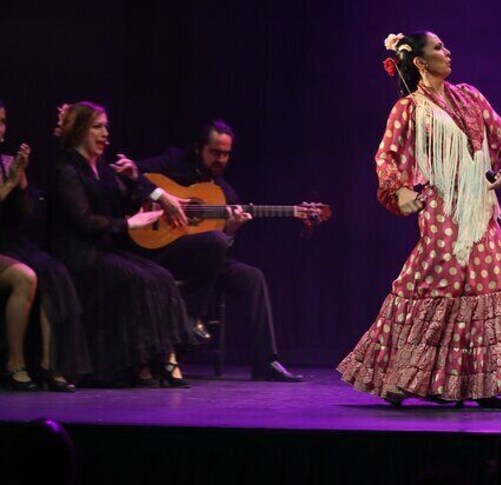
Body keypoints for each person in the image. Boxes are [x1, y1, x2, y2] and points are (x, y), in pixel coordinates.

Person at [338, 31, 501, 406]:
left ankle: (485, 382)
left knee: (496, 280)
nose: (448, 52)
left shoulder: (470, 97)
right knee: (443, 282)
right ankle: (415, 376)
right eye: (438, 48)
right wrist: (400, 191)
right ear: (420, 62)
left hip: (479, 209)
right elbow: (387, 157)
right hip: (442, 208)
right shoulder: (409, 108)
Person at [134, 119, 303, 382]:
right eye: (215, 152)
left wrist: (231, 230)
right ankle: (191, 318)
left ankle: (265, 361)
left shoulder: (225, 193)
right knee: (214, 242)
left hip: (205, 261)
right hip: (163, 251)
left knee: (251, 276)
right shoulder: (173, 163)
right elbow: (134, 175)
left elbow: (222, 245)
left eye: (226, 154)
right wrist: (163, 198)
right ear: (199, 148)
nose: (221, 159)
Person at [49, 101, 193, 387]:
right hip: (77, 255)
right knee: (134, 279)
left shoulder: (100, 168)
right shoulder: (67, 170)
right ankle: (137, 363)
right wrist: (128, 223)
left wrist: (132, 181)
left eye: (106, 127)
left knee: (160, 276)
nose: (105, 134)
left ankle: (163, 357)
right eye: (97, 127)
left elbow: (117, 204)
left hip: (101, 250)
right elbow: (85, 222)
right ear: (80, 130)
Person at [0, 101, 90, 392]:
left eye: (2, 121)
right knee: (25, 276)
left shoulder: (5, 161)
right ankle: (15, 364)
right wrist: (9, 184)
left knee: (55, 272)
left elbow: (24, 215)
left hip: (10, 242)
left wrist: (21, 183)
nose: (0, 128)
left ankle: (51, 366)